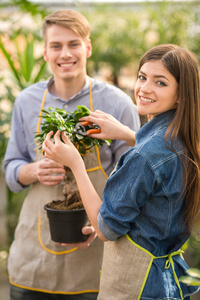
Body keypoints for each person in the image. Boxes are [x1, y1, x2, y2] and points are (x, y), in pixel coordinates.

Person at [42, 44, 200, 299]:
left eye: (160, 83)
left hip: (139, 286)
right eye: (142, 77)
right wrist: (127, 134)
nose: (144, 88)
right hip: (166, 282)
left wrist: (75, 164)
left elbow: (105, 230)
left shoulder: (144, 156)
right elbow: (160, 164)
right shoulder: (185, 138)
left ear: (181, 94)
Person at [3, 9, 140, 300]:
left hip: (95, 260)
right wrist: (30, 171)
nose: (65, 53)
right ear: (45, 51)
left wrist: (105, 223)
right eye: (56, 45)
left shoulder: (116, 103)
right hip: (33, 261)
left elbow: (132, 181)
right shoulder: (27, 101)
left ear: (87, 47)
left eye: (73, 44)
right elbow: (11, 168)